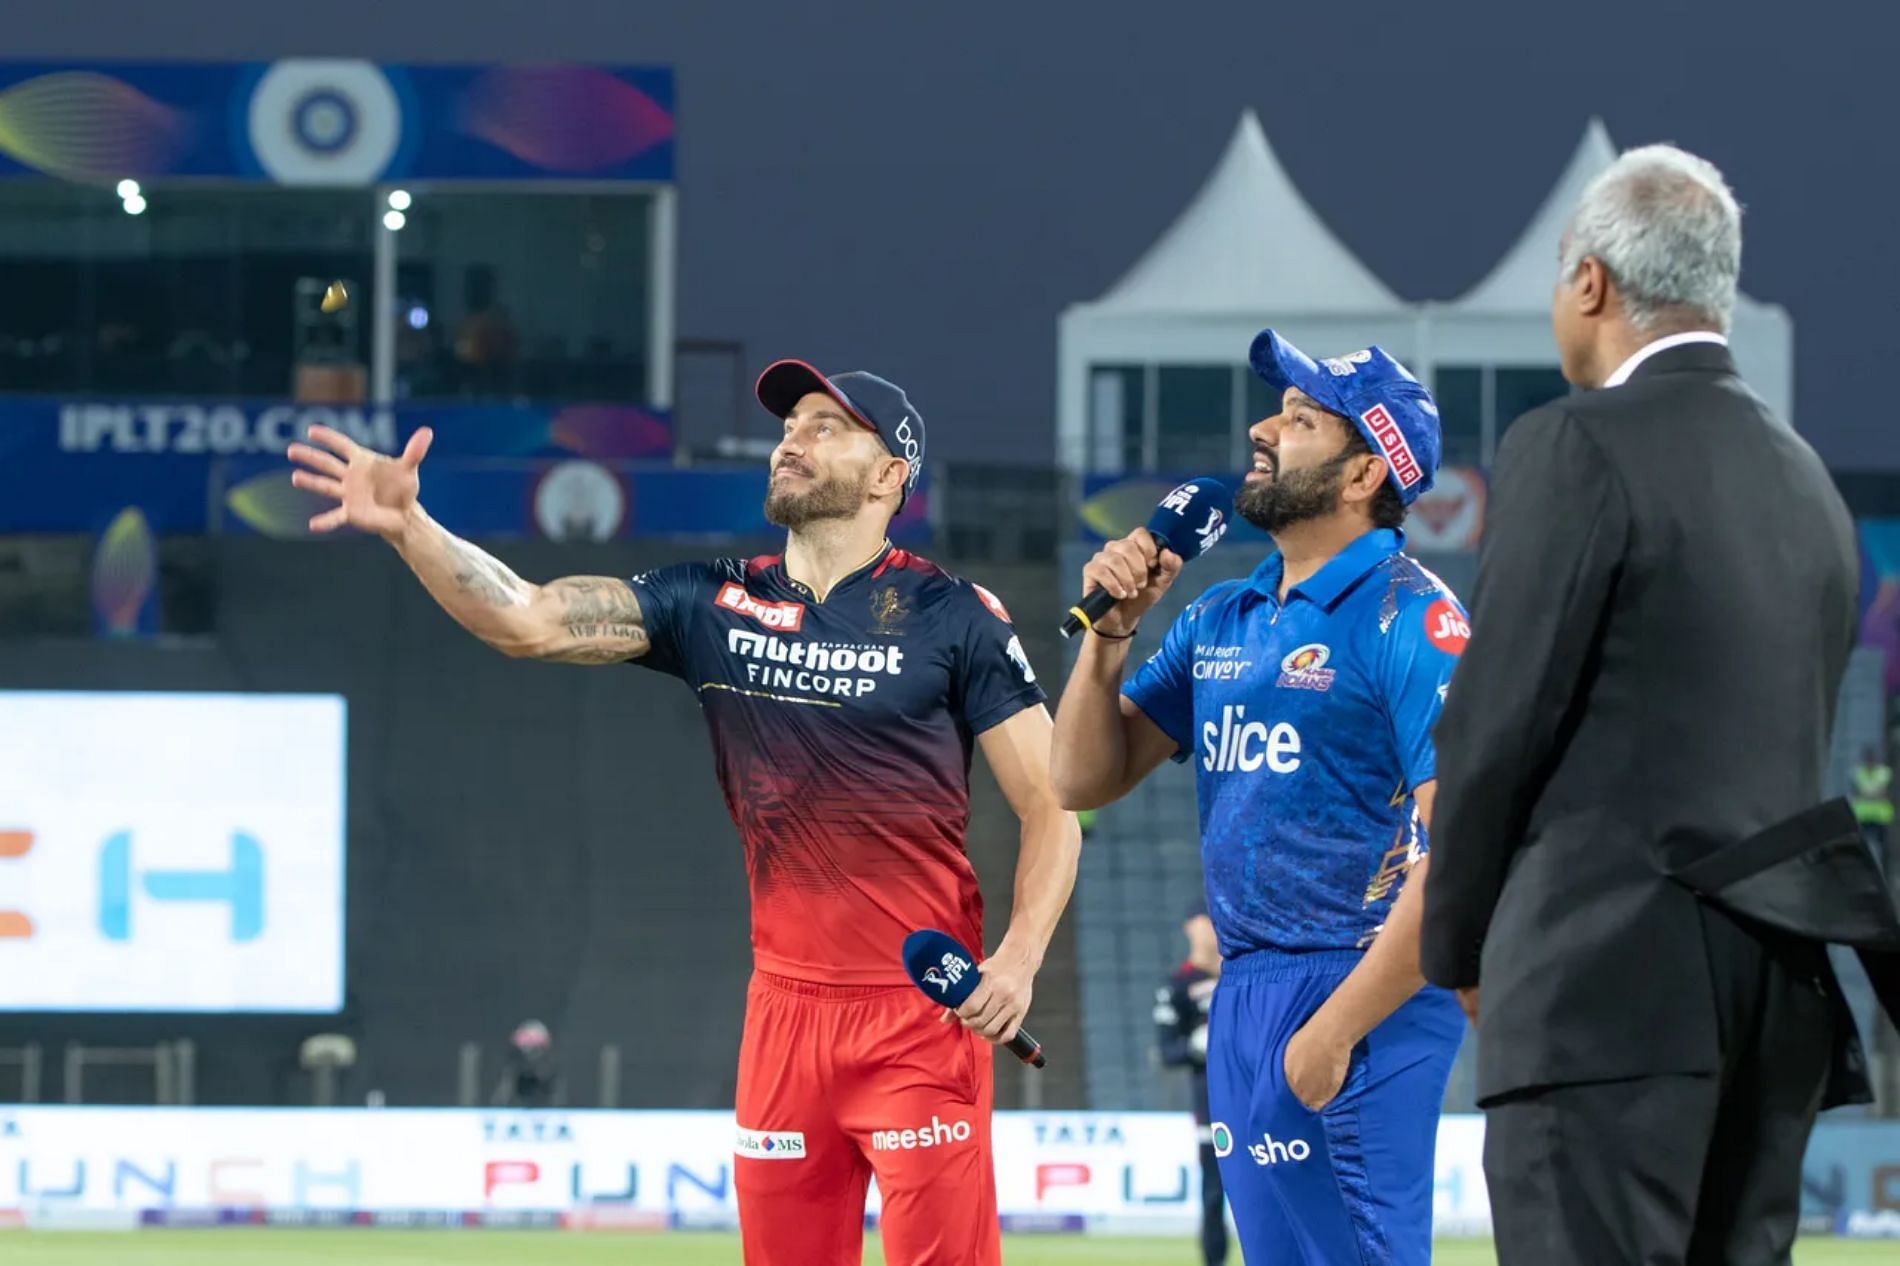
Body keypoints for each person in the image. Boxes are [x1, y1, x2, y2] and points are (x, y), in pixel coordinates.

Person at [288, 360, 1080, 1266]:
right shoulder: (710, 601)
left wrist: (1017, 962)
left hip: (917, 1021)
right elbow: (532, 619)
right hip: (782, 1018)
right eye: (791, 425)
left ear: (889, 474)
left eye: (826, 426)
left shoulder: (955, 617)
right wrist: (411, 528)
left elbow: (1053, 801)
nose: (793, 438)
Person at [1421, 144, 1900, 1266]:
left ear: (1588, 283)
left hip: (1604, 986)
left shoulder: (1572, 442)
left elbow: (1494, 725)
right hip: (1779, 994)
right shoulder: (1806, 482)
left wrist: (1462, 953)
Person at [1051, 330, 1465, 1266]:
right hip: (1247, 990)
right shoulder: (1223, 613)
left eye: (1300, 417)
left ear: (1366, 474)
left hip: (1359, 988)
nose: (1262, 426)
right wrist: (1109, 638)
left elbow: (1465, 854)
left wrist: (1337, 1030)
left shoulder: (1415, 616)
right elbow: (1082, 777)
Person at [1153, 903, 1227, 1266]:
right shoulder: (1178, 984)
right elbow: (1167, 1051)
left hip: (1259, 1099)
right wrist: (1199, 1045)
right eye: (1204, 922)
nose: (1211, 930)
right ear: (1189, 928)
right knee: (1213, 1196)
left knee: (1271, 1189)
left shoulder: (1242, 975)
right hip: (1211, 1106)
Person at [491, 1019, 563, 1108]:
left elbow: (557, 1100)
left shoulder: (551, 1073)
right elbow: (500, 1100)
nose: (529, 1053)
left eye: (535, 1049)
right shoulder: (510, 1072)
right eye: (525, 1046)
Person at [1851, 746, 1893, 860]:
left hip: (1880, 816)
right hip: (1863, 815)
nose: (1869, 762)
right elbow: (1856, 794)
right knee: (1863, 846)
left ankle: (1884, 873)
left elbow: (1885, 793)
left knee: (1883, 846)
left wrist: (1867, 794)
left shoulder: (1884, 773)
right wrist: (1874, 794)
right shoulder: (1858, 773)